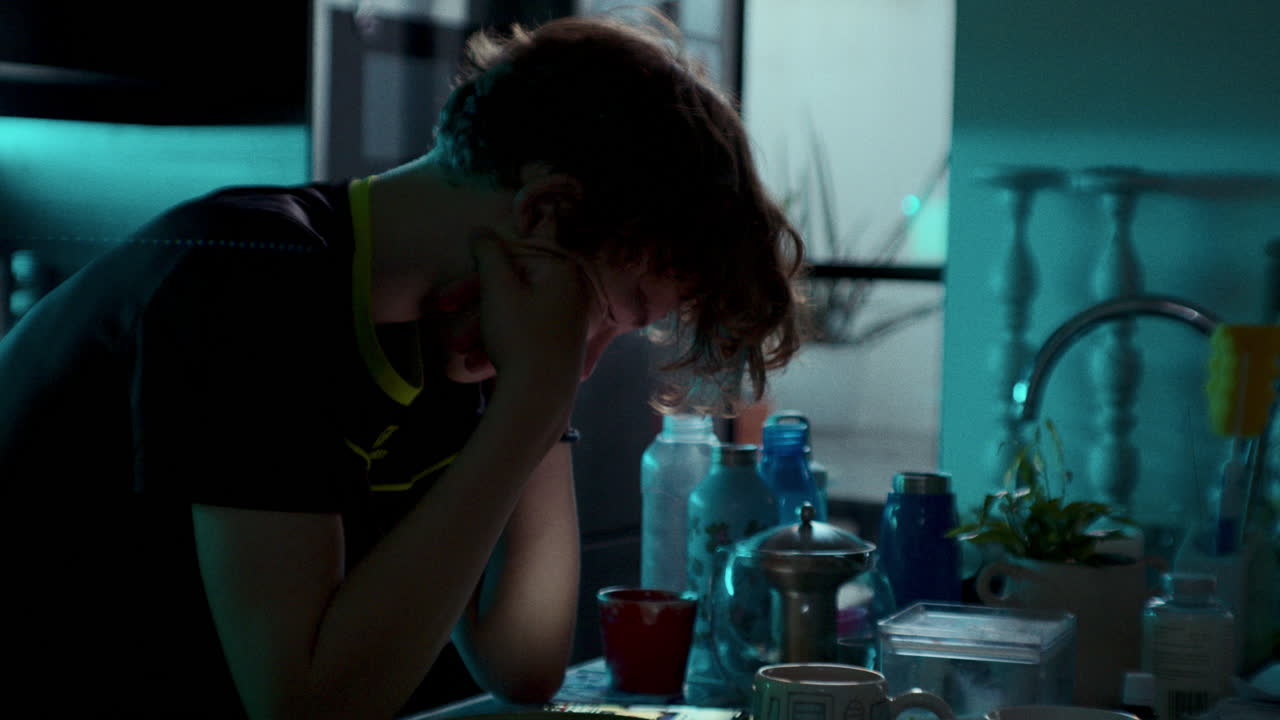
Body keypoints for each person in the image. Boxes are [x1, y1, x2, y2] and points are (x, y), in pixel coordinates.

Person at [0, 12, 805, 720]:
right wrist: (530, 401)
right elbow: (306, 707)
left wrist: (528, 399)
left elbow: (524, 662)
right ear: (543, 211)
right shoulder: (251, 281)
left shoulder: (454, 338)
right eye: (607, 313)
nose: (582, 366)